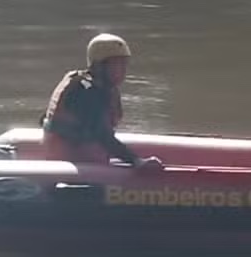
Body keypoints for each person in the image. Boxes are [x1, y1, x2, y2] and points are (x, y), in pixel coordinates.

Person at [40, 33, 163, 171]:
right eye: (117, 64)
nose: (123, 70)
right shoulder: (86, 92)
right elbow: (103, 137)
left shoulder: (98, 88)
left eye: (124, 64)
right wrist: (136, 161)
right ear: (100, 66)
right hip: (72, 170)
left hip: (86, 160)